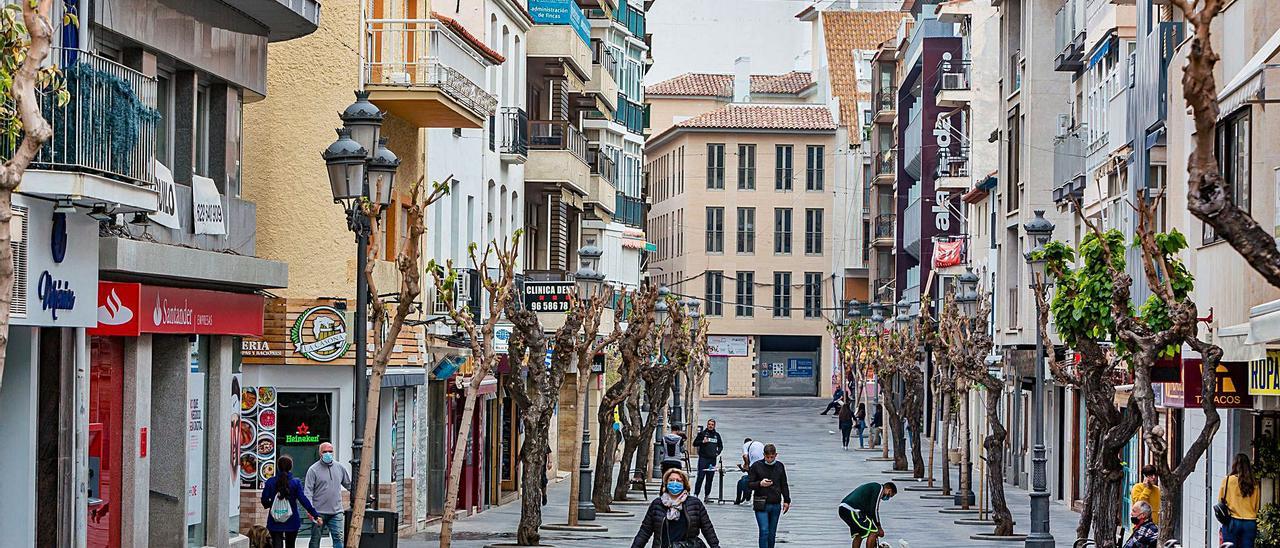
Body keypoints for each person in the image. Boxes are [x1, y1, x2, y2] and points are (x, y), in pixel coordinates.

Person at [631, 468, 721, 548]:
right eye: (671, 480)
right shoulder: (657, 504)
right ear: (666, 483)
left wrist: (715, 546)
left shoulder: (695, 504)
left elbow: (708, 529)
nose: (675, 483)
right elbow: (645, 531)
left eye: (678, 480)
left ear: (684, 484)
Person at [261, 455, 321, 548]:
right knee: (290, 545)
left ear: (278, 467)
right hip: (292, 519)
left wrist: (272, 504)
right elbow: (303, 500)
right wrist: (315, 515)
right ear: (291, 467)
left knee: (277, 545)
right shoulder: (295, 482)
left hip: (274, 519)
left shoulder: (270, 482)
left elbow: (264, 500)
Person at [304, 443, 351, 548]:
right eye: (325, 452)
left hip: (336, 511)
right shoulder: (313, 470)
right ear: (320, 453)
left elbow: (349, 485)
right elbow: (308, 491)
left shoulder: (340, 468)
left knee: (339, 539)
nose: (328, 454)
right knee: (315, 540)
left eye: (330, 451)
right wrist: (310, 510)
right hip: (318, 512)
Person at [747, 444, 791, 548]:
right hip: (761, 503)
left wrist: (786, 500)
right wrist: (760, 484)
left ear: (776, 455)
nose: (770, 459)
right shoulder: (756, 466)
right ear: (764, 455)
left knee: (772, 533)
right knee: (764, 530)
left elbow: (784, 483)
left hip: (775, 503)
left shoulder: (780, 466)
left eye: (772, 457)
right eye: (768, 457)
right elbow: (749, 484)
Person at [1219, 452, 1261, 548]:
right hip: (1250, 521)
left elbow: (1221, 500)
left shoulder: (1228, 480)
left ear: (1234, 465)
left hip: (1232, 521)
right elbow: (1256, 505)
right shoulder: (1254, 483)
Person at [839, 481, 896, 548]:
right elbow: (874, 509)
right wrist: (879, 527)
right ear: (889, 490)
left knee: (859, 534)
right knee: (874, 531)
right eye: (890, 495)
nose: (887, 498)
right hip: (852, 509)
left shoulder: (872, 488)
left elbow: (869, 512)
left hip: (844, 508)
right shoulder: (879, 488)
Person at [692, 419, 724, 499]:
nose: (710, 426)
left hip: (712, 460)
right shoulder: (702, 434)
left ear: (714, 426)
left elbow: (720, 446)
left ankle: (707, 495)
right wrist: (702, 441)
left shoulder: (717, 435)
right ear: (707, 425)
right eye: (709, 424)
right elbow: (695, 443)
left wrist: (717, 452)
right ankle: (696, 494)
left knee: (710, 478)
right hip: (703, 459)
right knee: (700, 477)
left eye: (712, 425)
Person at [735, 438, 765, 505]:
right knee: (757, 479)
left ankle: (747, 499)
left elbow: (745, 456)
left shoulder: (745, 445)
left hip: (755, 464)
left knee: (749, 481)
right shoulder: (758, 444)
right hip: (763, 462)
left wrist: (746, 464)